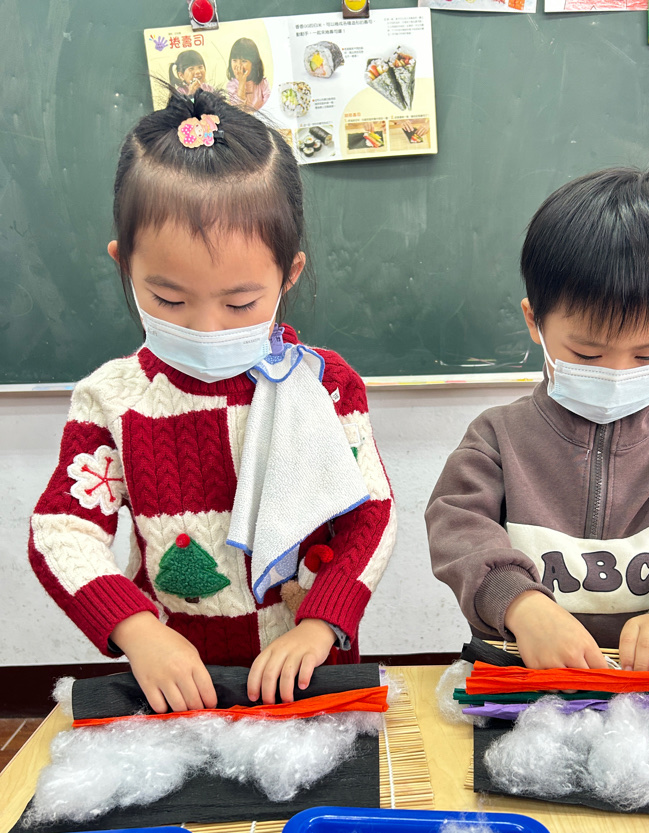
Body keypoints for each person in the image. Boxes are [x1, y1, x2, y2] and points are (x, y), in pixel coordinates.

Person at [29, 89, 396, 714]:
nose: (206, 327)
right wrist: (138, 632)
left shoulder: (324, 385)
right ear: (124, 265)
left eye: (240, 303)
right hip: (176, 684)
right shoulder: (112, 399)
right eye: (169, 300)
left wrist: (321, 622)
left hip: (309, 674)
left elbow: (372, 515)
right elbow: (63, 529)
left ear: (289, 274)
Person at [426, 168, 649, 674]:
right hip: (525, 676)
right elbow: (457, 525)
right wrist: (518, 602)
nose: (617, 374)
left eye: (648, 355)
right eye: (587, 354)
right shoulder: (498, 436)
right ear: (534, 321)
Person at [226, 38, 271, 111]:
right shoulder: (232, 85)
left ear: (254, 64)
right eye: (234, 60)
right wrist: (242, 82)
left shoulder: (263, 83)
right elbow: (238, 109)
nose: (239, 65)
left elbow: (269, 105)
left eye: (244, 61)